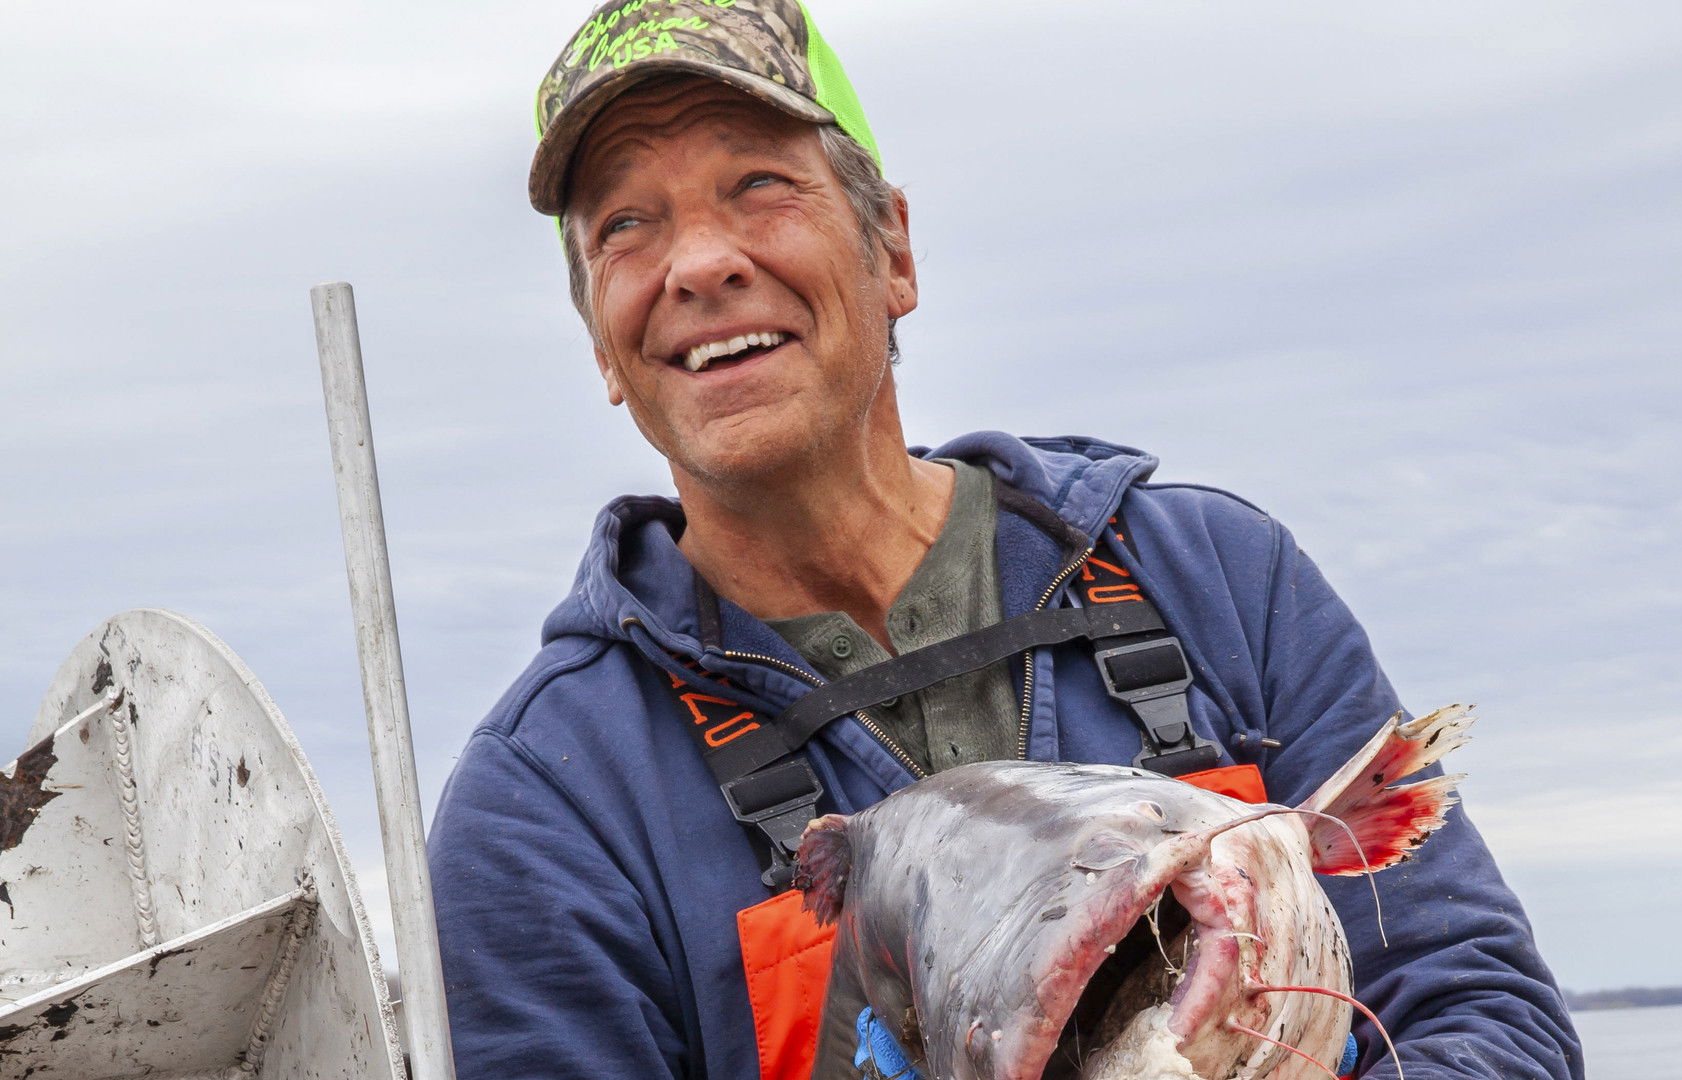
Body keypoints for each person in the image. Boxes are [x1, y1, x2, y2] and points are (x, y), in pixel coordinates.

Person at [426, 2, 1583, 1079]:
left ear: (893, 253)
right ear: (600, 342)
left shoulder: (1219, 582)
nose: (698, 264)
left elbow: (1477, 1007)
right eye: (625, 226)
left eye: (759, 185)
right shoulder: (545, 806)